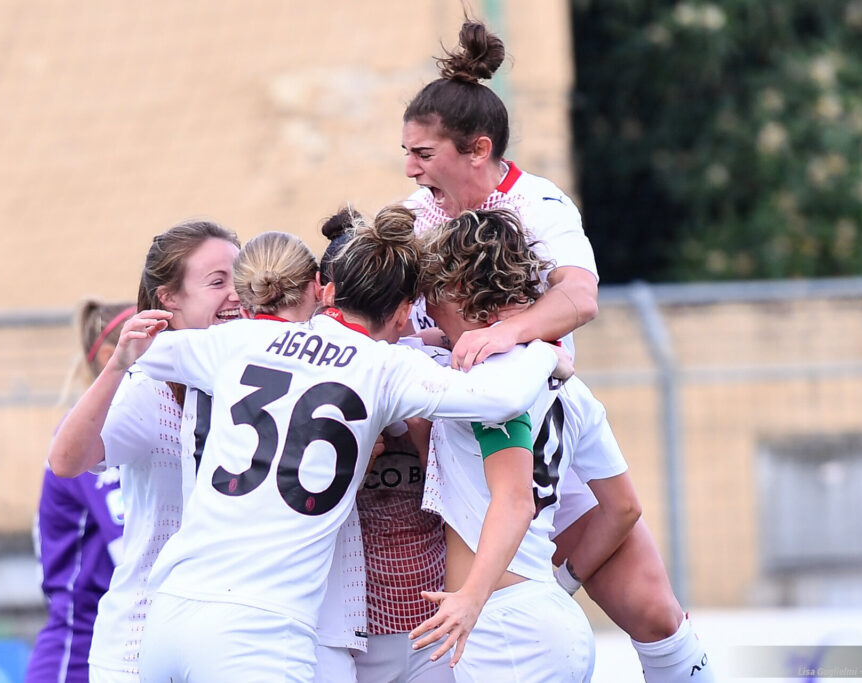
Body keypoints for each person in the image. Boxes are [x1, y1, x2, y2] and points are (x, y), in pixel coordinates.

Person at [106, 205, 570, 682]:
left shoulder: (241, 339)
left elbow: (145, 352)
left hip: (171, 612)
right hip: (259, 628)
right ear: (403, 310)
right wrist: (540, 349)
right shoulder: (385, 368)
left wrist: (124, 352)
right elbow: (501, 399)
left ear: (328, 290)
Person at [400, 18, 715, 683]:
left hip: (530, 426)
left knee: (654, 610)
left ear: (476, 149)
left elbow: (581, 296)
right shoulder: (416, 213)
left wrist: (506, 336)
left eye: (424, 152)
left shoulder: (539, 204)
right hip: (461, 433)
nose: (411, 167)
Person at [411, 208, 644, 682]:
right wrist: (562, 584)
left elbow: (515, 500)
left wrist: (470, 601)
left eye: (435, 299)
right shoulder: (566, 385)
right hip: (544, 610)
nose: (429, 311)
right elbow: (623, 509)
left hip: (502, 627)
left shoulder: (491, 381)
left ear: (461, 293)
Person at [47, 220, 242, 683]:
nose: (237, 294)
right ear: (169, 298)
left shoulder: (256, 375)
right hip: (140, 638)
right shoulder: (147, 389)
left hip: (226, 639)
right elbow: (65, 460)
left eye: (242, 278)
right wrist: (119, 363)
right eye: (218, 282)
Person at [319, 209, 453, 683]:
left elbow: (463, 495)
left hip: (432, 618)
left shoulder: (430, 367)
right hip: (350, 626)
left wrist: (421, 435)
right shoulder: (312, 374)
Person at [232, 229, 368, 683]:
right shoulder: (356, 359)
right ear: (318, 284)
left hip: (226, 601)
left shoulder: (216, 349)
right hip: (310, 611)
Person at [26, 300, 133, 683]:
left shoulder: (133, 425)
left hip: (117, 645)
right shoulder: (90, 437)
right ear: (110, 355)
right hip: (78, 652)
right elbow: (129, 549)